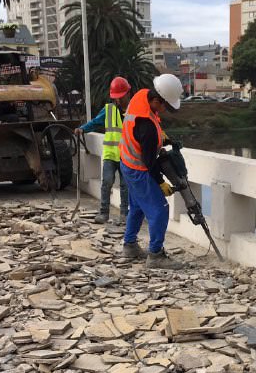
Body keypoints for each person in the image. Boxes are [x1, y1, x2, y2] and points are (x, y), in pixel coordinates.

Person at [119, 73, 184, 269]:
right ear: (156, 100)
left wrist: (165, 139)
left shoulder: (142, 96)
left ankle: (129, 246)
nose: (164, 110)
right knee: (160, 210)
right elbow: (149, 161)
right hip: (138, 168)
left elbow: (148, 127)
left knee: (138, 207)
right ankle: (155, 255)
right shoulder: (146, 126)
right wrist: (160, 182)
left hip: (126, 163)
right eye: (164, 105)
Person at [76, 76, 132, 224]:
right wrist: (82, 129)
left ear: (128, 94)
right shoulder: (108, 110)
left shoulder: (134, 110)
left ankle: (124, 214)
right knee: (106, 182)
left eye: (120, 97)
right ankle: (103, 213)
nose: (118, 100)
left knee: (126, 186)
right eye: (116, 98)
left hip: (126, 156)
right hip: (110, 154)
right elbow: (95, 122)